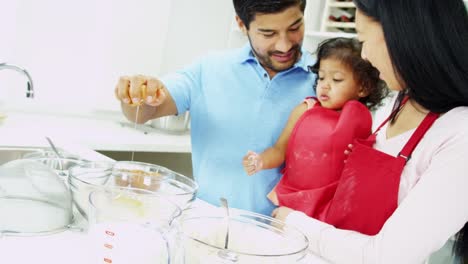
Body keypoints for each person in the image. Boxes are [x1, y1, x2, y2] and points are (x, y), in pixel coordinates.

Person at [272, 0, 468, 263]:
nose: (363, 55)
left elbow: (388, 255)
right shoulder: (402, 101)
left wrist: (296, 222)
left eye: (363, 38)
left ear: (403, 37)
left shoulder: (460, 133)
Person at [114, 0, 316, 215]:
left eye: (294, 28)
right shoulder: (210, 69)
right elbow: (146, 112)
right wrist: (136, 94)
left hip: (286, 239)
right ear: (241, 24)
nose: (284, 45)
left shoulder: (329, 81)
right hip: (206, 226)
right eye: (268, 34)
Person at [242, 37, 387, 220]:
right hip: (293, 202)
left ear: (363, 88)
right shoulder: (306, 109)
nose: (325, 85)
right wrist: (260, 160)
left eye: (337, 79)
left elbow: (363, 174)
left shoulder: (362, 122)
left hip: (332, 210)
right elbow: (280, 151)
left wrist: (358, 159)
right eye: (321, 77)